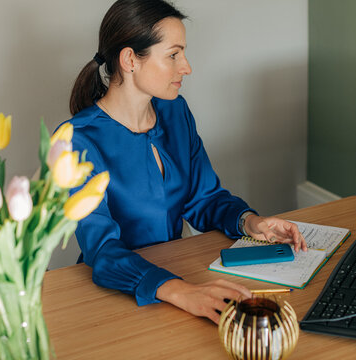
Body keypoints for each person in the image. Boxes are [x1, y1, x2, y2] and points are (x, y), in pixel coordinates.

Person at [60, 0, 307, 324]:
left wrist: (250, 223)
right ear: (130, 59)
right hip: (119, 294)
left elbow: (204, 199)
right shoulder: (77, 139)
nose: (186, 67)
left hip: (178, 274)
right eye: (173, 55)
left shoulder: (175, 112)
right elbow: (102, 251)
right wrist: (181, 291)